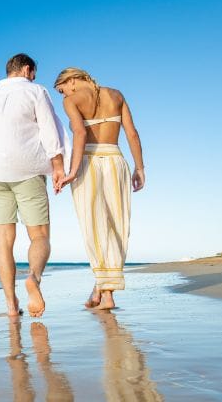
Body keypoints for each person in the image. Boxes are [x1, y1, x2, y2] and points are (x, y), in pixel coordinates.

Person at [0, 53, 65, 317]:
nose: (34, 77)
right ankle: (33, 277)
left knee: (3, 241)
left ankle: (11, 306)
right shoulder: (36, 91)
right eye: (33, 73)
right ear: (27, 70)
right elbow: (49, 130)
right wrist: (58, 166)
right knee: (40, 236)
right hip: (29, 170)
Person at [54, 67, 145, 310]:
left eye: (62, 89)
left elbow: (80, 132)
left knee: (94, 226)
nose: (63, 95)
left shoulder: (71, 100)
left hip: (89, 162)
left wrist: (72, 171)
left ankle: (106, 295)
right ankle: (102, 290)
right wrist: (140, 168)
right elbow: (132, 134)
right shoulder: (116, 95)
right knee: (118, 225)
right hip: (116, 160)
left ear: (71, 81)